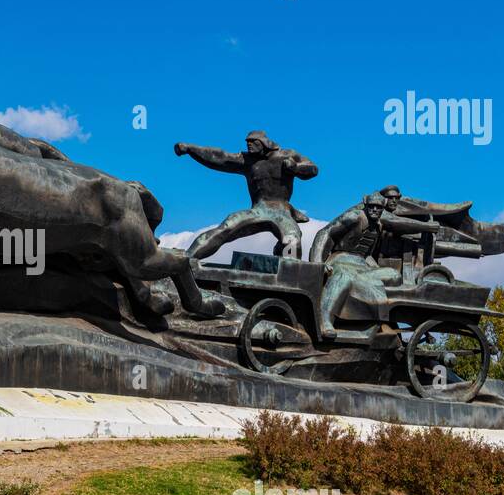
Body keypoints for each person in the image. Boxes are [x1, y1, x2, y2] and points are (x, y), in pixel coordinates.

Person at [310, 193, 439, 341]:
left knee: (394, 275)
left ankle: (361, 292)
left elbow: (396, 224)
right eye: (371, 207)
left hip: (363, 265)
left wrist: (427, 228)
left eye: (379, 208)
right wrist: (318, 262)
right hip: (341, 259)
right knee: (343, 276)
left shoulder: (379, 224)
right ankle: (325, 320)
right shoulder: (353, 217)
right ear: (365, 205)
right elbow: (325, 233)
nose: (375, 210)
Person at [174, 132, 318, 262]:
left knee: (292, 239)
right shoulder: (247, 161)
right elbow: (219, 157)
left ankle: (290, 271)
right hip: (258, 209)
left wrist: (296, 168)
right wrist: (190, 149)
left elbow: (312, 169)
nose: (248, 145)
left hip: (282, 211)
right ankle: (187, 258)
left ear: (264, 143)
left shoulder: (287, 155)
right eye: (247, 142)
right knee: (225, 228)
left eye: (253, 142)